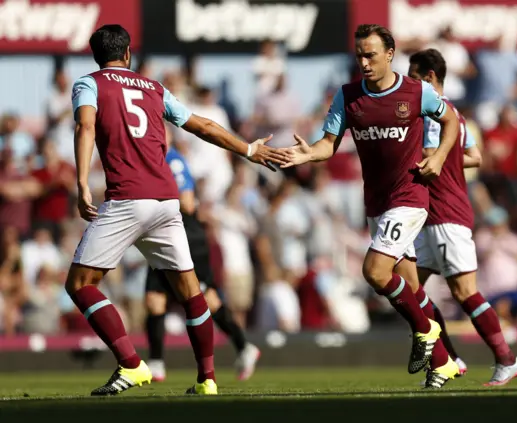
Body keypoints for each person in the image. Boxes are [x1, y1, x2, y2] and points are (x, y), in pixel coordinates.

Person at [66, 25, 286, 396]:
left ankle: (132, 364)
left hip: (127, 199)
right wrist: (248, 150)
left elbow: (85, 125)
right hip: (168, 201)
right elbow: (203, 125)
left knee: (80, 284)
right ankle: (208, 379)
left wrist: (83, 182)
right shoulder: (153, 88)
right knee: (190, 292)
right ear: (128, 53)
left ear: (95, 56)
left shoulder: (89, 83)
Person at [281, 24, 461, 375]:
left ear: (390, 55)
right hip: (377, 202)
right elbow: (327, 144)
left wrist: (438, 157)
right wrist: (307, 155)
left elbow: (450, 120)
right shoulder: (347, 96)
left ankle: (426, 329)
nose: (364, 62)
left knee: (375, 272)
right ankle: (443, 363)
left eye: (371, 55)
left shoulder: (416, 92)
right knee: (408, 285)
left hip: (409, 198)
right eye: (359, 55)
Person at [408, 49, 517, 387]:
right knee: (409, 290)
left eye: (413, 79)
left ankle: (507, 359)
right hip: (430, 216)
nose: (408, 87)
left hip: (445, 212)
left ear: (429, 79)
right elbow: (474, 156)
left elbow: (430, 155)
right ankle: (451, 357)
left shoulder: (432, 117)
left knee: (465, 292)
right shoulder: (456, 116)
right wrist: (449, 157)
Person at [145, 126, 260, 383]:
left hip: (186, 235)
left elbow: (186, 202)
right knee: (154, 298)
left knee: (207, 298)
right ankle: (156, 362)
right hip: (162, 236)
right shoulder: (150, 159)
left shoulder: (172, 160)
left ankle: (243, 346)